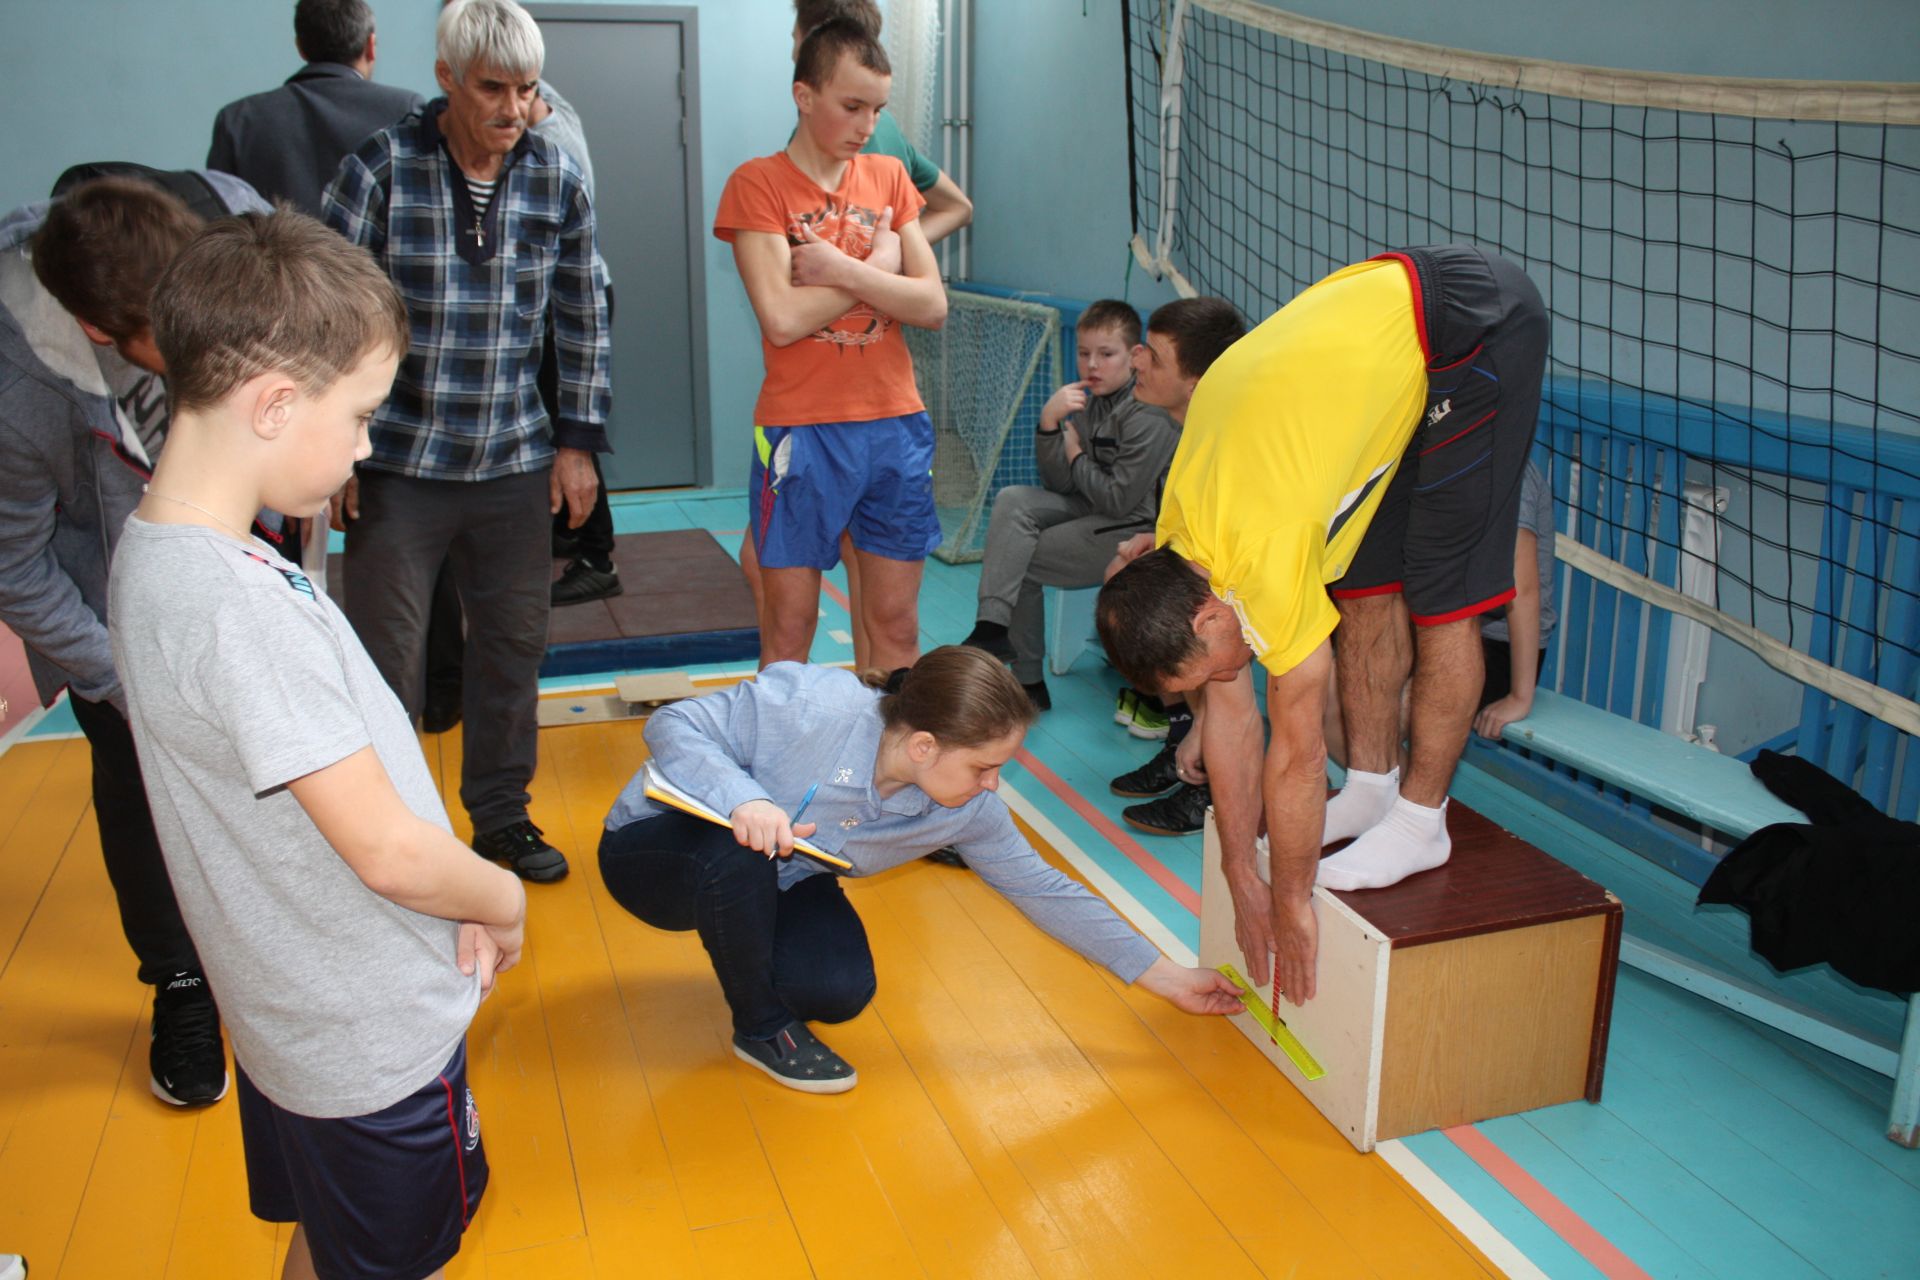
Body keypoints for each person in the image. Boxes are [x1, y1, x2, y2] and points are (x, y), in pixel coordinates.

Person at [109, 208, 526, 1280]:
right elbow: (386, 851)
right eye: (360, 415)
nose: (367, 445)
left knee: (339, 1244)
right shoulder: (235, 609)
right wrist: (499, 893)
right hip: (367, 1036)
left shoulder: (158, 544)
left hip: (294, 1015)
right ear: (274, 403)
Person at [1097, 245, 1548, 1007]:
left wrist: (1291, 899)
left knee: (1442, 599)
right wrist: (1243, 873)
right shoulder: (1181, 545)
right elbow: (1237, 721)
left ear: (1208, 614)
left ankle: (1419, 820)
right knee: (1366, 586)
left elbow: (1297, 755)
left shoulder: (1262, 563)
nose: (1216, 690)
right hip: (1363, 373)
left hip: (1467, 324)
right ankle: (1373, 785)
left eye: (1205, 674)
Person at [598, 646, 1239, 1092]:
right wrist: (744, 800)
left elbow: (1047, 890)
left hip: (783, 876)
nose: (992, 785)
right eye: (982, 767)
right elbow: (674, 722)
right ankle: (762, 1029)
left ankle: (747, 965)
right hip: (658, 851)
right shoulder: (813, 708)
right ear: (924, 746)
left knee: (838, 990)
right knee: (739, 857)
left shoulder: (965, 812)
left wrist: (1170, 978)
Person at [323, 0, 612, 883]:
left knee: (512, 645)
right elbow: (323, 317)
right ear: (447, 77)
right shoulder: (377, 171)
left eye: (527, 89)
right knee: (386, 660)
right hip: (399, 469)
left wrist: (577, 443)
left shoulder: (554, 176)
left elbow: (582, 314)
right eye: (493, 88)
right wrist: (335, 446)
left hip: (514, 463)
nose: (513, 108)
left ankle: (501, 818)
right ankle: (393, 829)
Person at [0, 172, 269, 1107]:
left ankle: (262, 955)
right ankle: (181, 983)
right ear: (102, 332)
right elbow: (18, 572)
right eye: (171, 339)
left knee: (260, 767)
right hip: (105, 613)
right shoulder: (21, 396)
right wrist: (123, 678)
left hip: (230, 571)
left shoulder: (211, 226)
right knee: (139, 790)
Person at [734, 0, 975, 670]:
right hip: (803, 430)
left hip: (895, 425)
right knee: (790, 631)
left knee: (895, 627)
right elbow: (780, 318)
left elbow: (930, 304)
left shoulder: (889, 177)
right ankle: (785, 767)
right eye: (852, 107)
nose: (868, 126)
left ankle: (890, 772)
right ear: (803, 96)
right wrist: (872, 271)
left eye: (877, 109)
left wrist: (839, 269)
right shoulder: (758, 185)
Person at [958, 300, 1177, 710]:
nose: (1092, 365)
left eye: (1106, 354)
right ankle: (991, 626)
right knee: (1012, 500)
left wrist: (1076, 455)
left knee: (1019, 559)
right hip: (1091, 509)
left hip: (1132, 524)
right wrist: (1048, 424)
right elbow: (1057, 483)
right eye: (1083, 353)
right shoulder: (1087, 399)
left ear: (1134, 357)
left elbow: (1117, 500)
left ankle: (1027, 682)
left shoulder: (1147, 412)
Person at [1090, 298, 1245, 839]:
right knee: (1125, 583)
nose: (1136, 361)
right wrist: (1154, 539)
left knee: (1167, 617)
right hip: (1210, 577)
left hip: (1245, 602)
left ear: (1197, 382)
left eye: (1152, 356)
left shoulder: (1228, 444)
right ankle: (1181, 736)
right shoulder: (1192, 434)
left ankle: (1205, 775)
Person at [206, 0, 424, 217]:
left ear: (300, 47)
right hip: (367, 253)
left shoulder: (238, 120)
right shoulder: (406, 111)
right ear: (371, 46)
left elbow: (217, 222)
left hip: (270, 251)